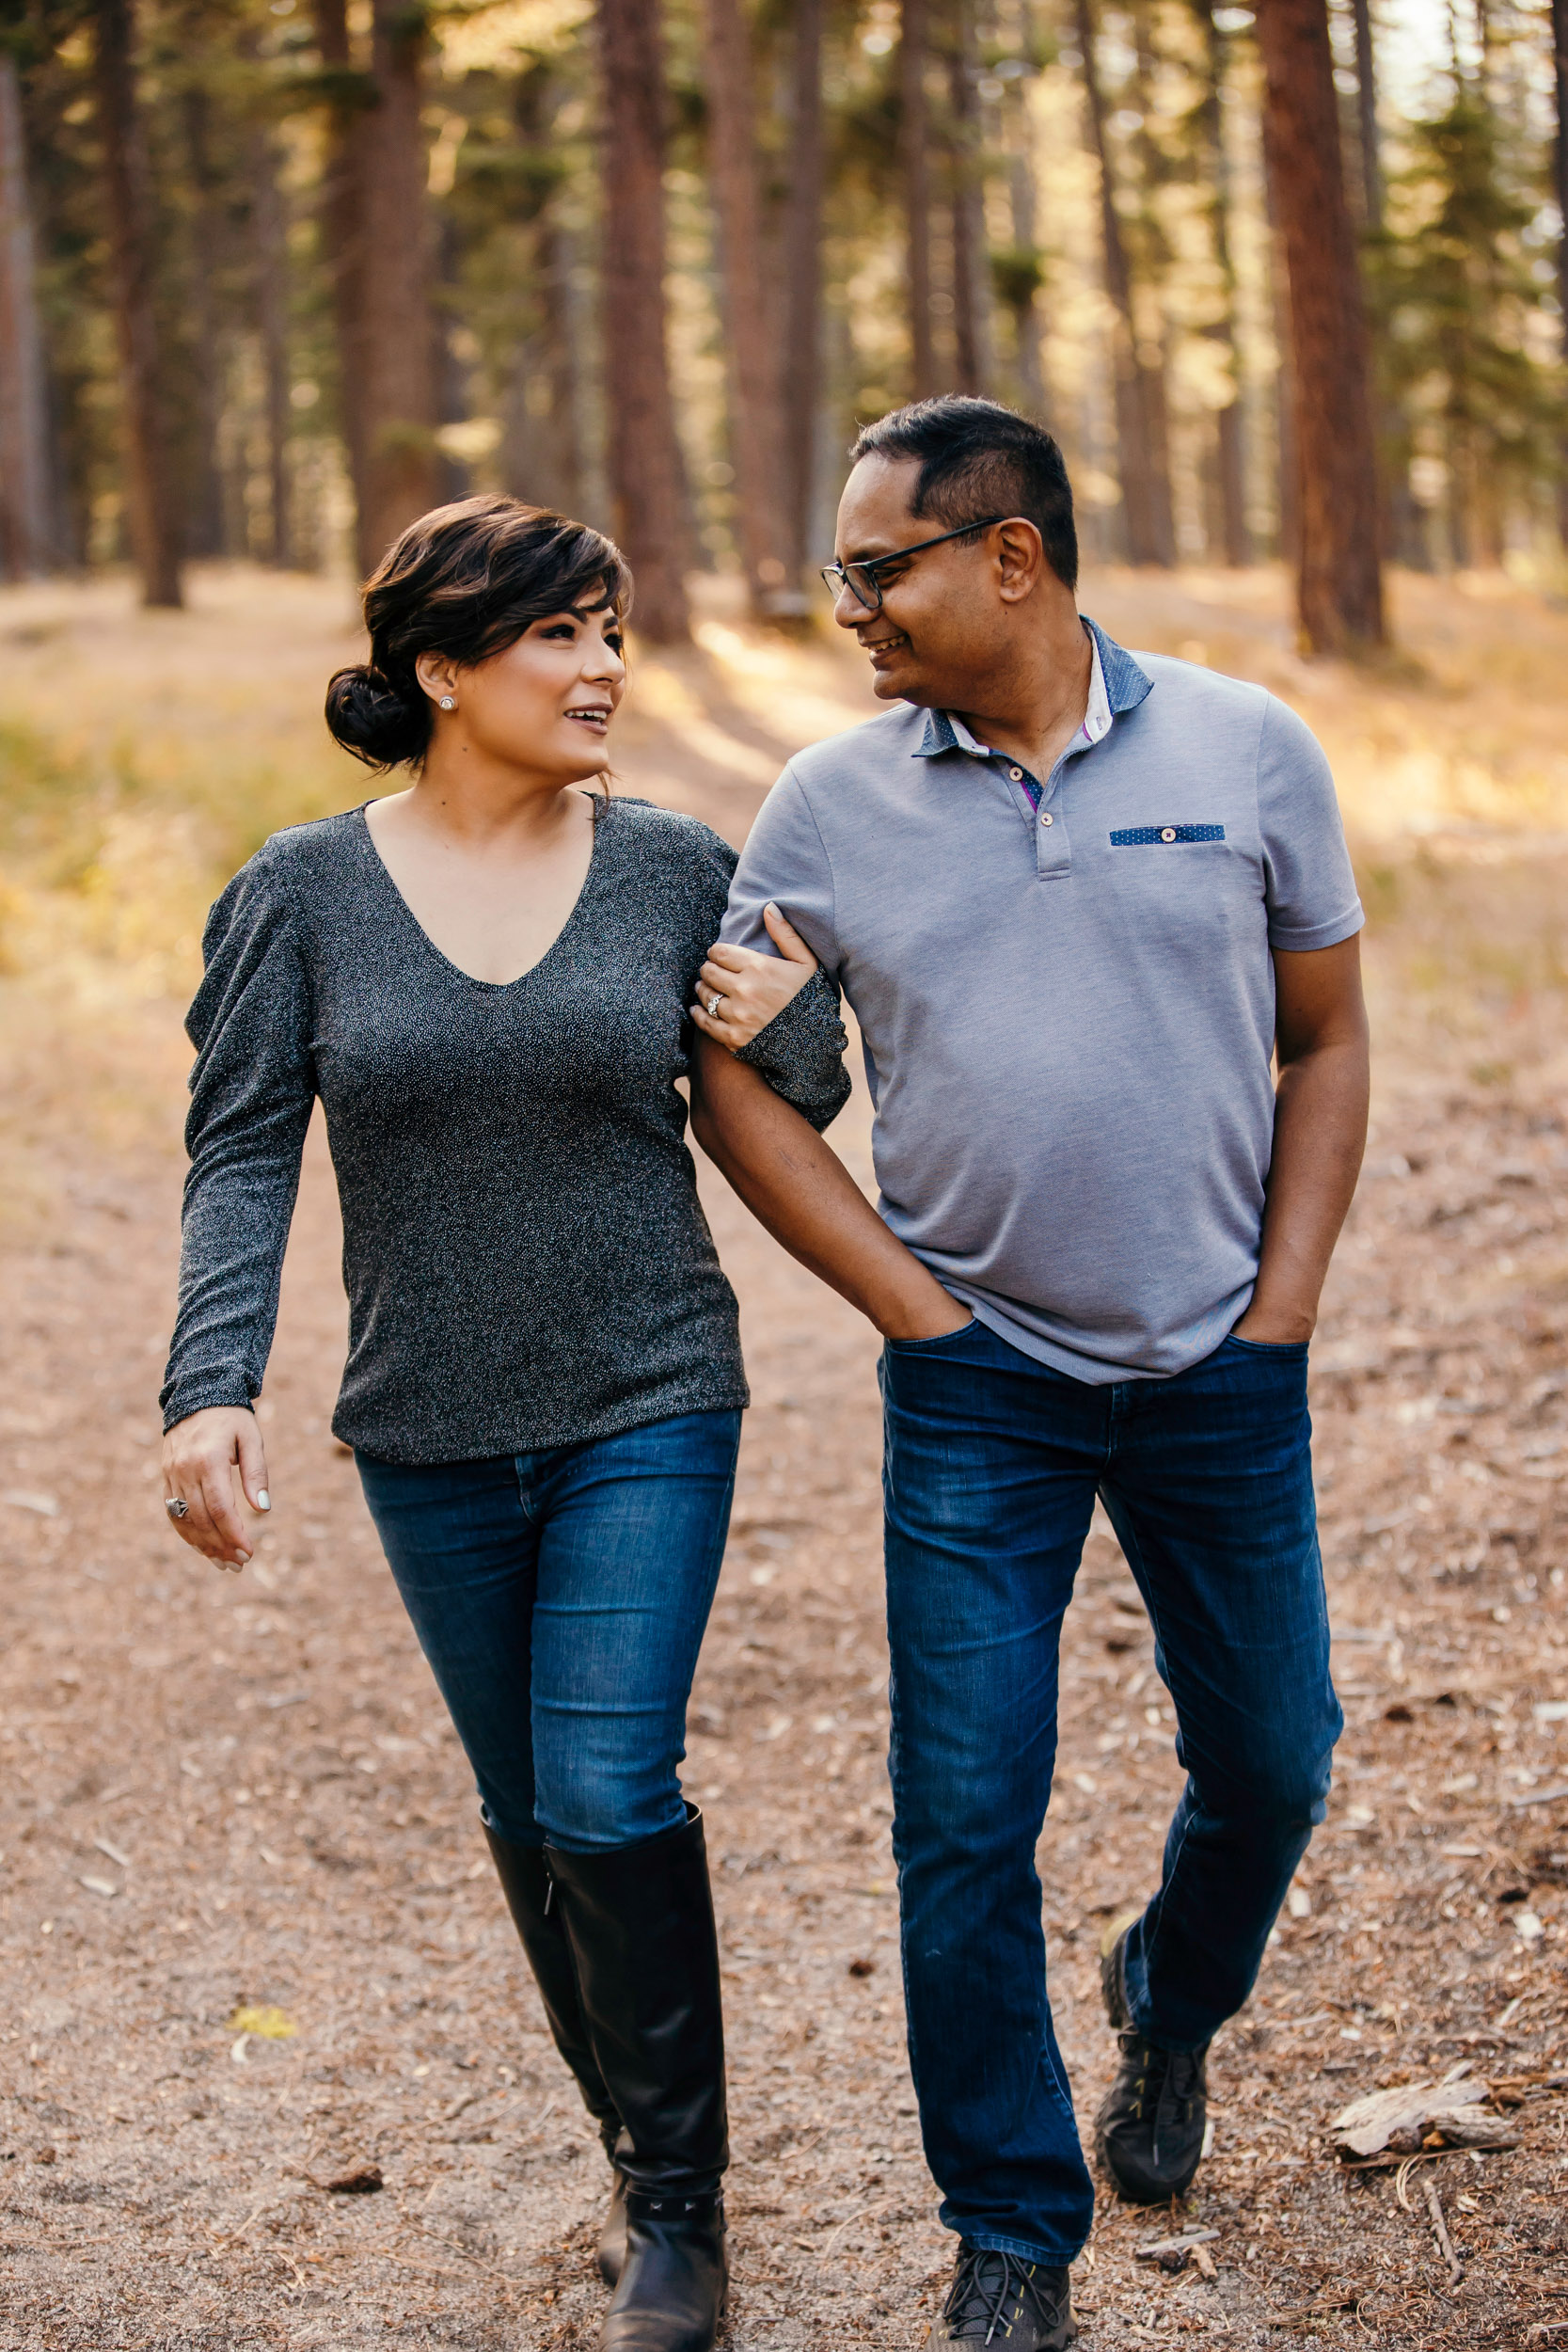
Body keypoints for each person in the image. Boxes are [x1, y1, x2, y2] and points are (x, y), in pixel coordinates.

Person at [689, 396, 1370, 2351]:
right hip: (978, 1381)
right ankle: (1012, 2223)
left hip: (1222, 1363)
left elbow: (1326, 1036)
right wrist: (909, 1306)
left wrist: (1287, 1302)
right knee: (965, 1810)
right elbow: (731, 1070)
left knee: (1274, 1756)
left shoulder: (1249, 749)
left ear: (1013, 554)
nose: (847, 613)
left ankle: (1166, 1992)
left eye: (874, 571)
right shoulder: (828, 800)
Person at [155, 495, 863, 2352]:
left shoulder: (671, 867)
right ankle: (644, 2159)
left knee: (609, 1786)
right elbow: (239, 1149)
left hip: (650, 1389)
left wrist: (795, 1013)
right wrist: (209, 1383)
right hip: (427, 1425)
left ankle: (682, 2216)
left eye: (611, 627)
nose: (605, 665)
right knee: (528, 1809)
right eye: (557, 633)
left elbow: (793, 1086)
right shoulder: (298, 894)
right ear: (442, 669)